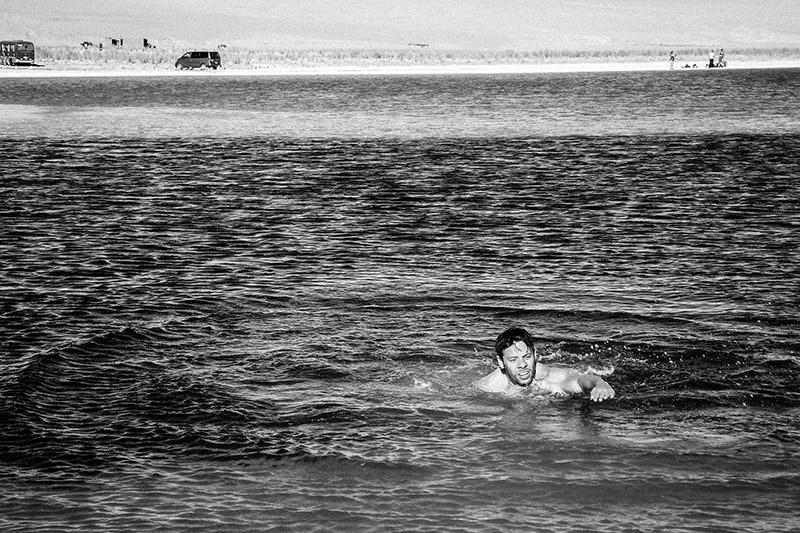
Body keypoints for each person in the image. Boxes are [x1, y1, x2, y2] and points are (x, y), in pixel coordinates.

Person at [474, 327, 615, 401]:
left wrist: (600, 383)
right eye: (513, 359)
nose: (522, 364)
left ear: (535, 355)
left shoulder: (546, 376)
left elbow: (579, 380)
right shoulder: (488, 387)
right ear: (501, 362)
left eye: (527, 356)